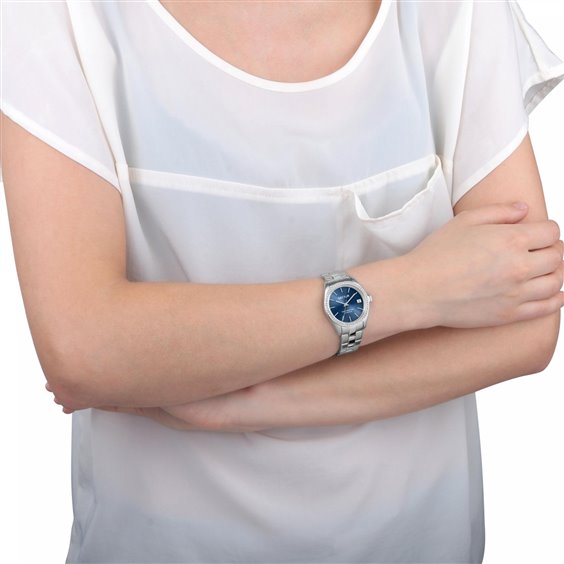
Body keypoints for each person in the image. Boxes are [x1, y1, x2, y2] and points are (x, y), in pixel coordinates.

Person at [1, 1, 563, 562]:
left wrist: (248, 401)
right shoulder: (58, 17)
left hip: (420, 540)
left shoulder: (453, 11)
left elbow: (526, 322)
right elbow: (84, 352)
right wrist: (415, 289)